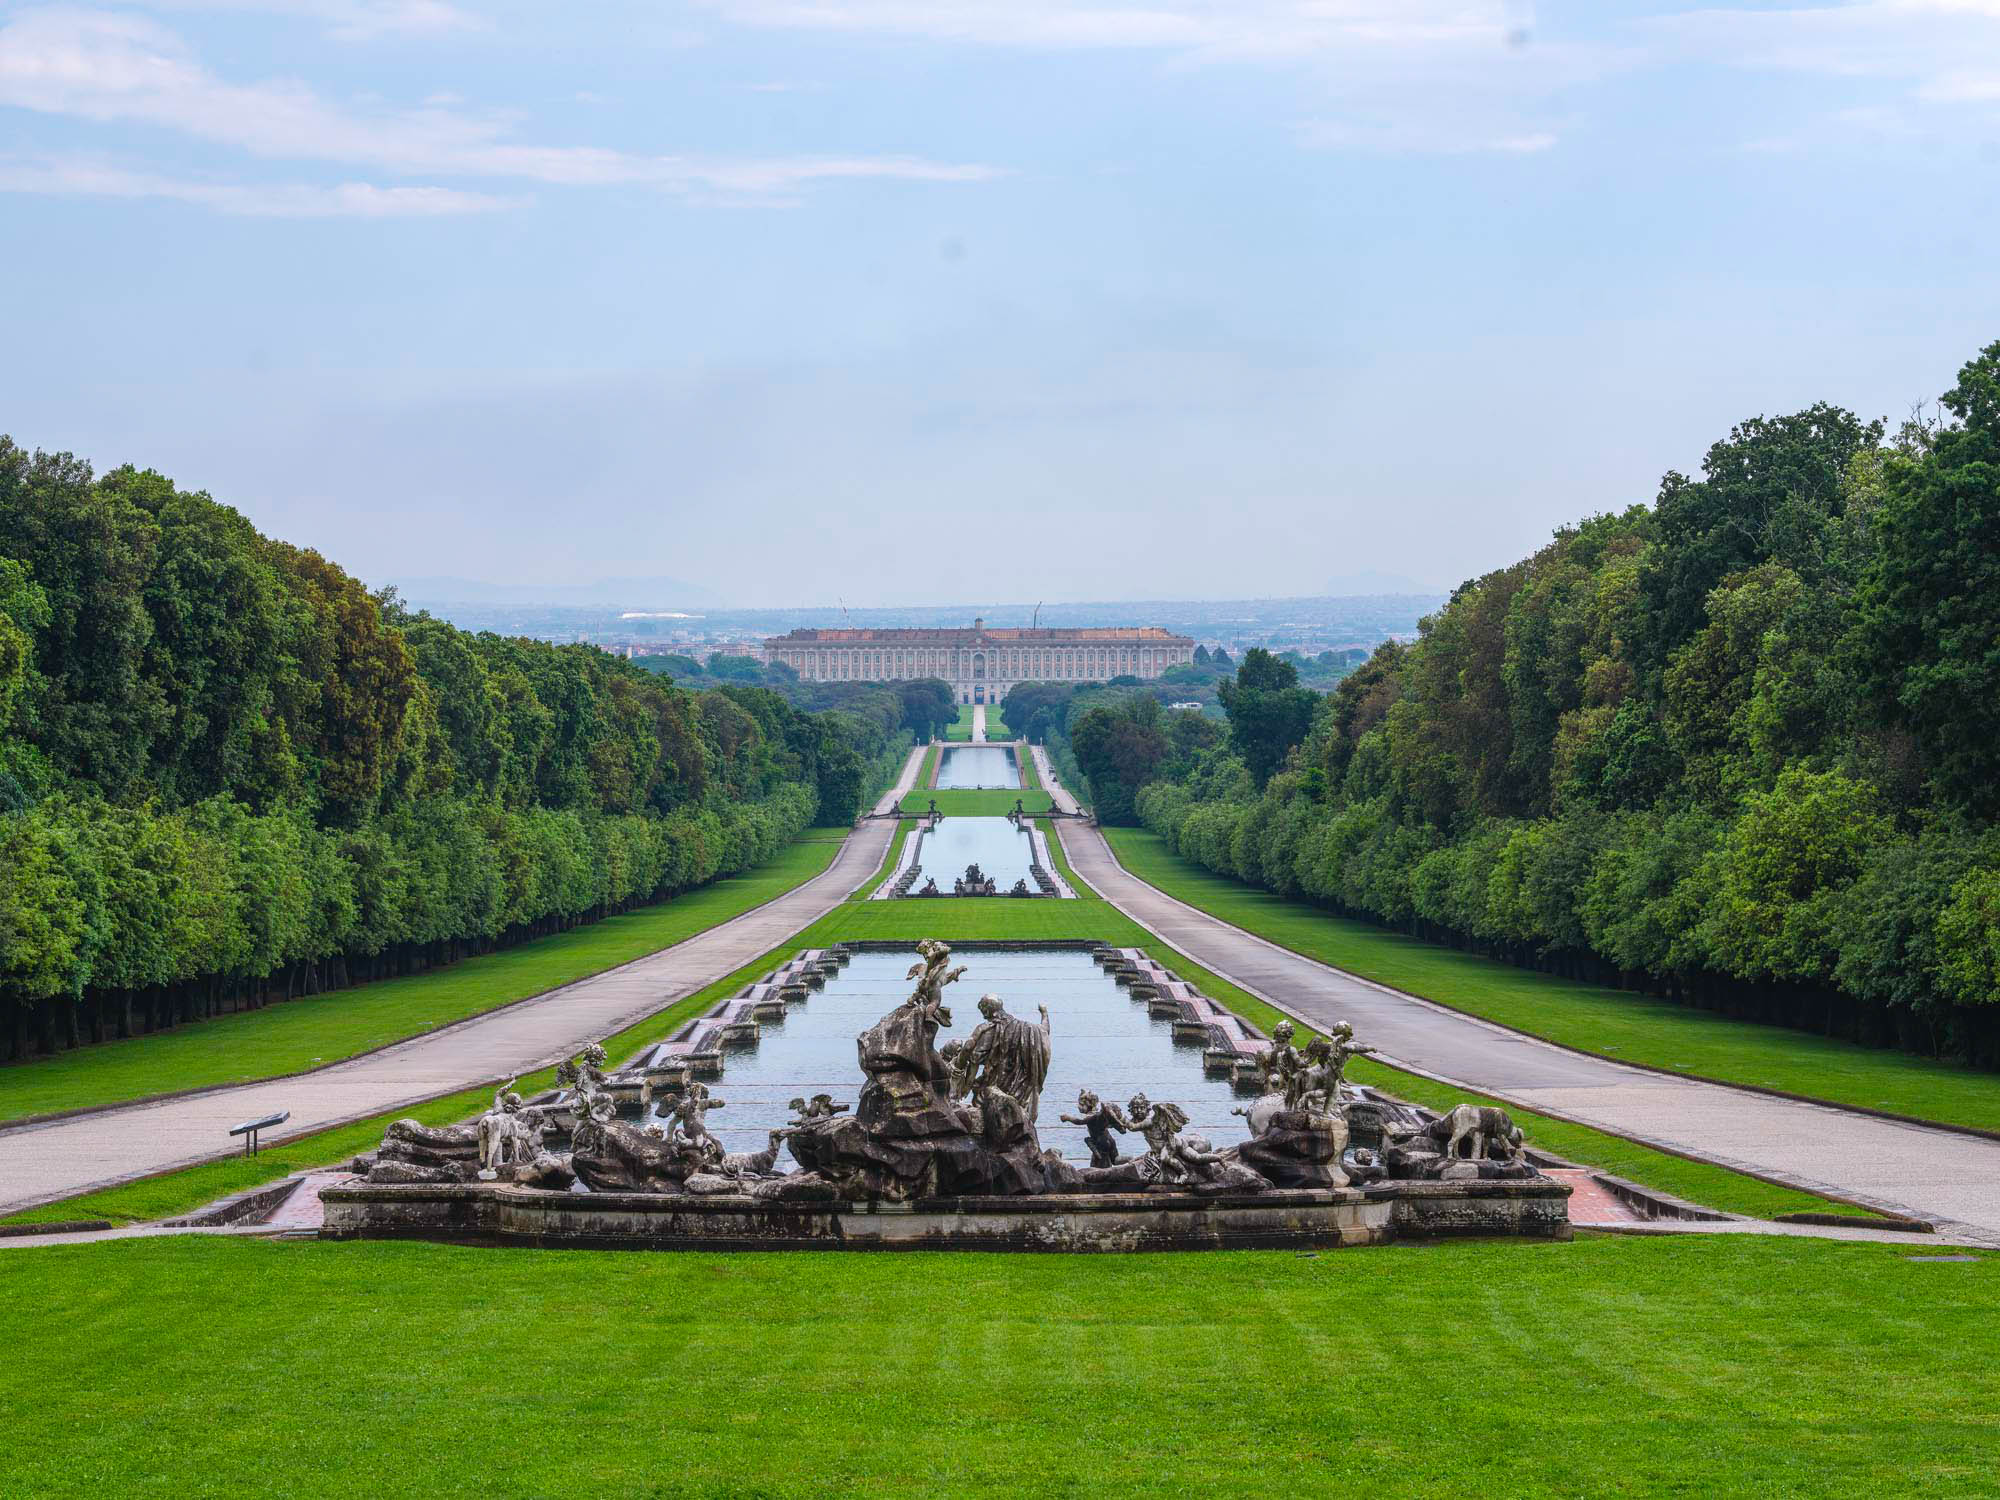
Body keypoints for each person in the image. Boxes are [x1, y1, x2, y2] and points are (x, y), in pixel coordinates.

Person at [1060, 1088, 1132, 1168]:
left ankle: (1103, 1177)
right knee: (1115, 1159)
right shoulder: (1099, 1114)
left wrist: (1068, 1118)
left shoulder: (1091, 1116)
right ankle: (1130, 1159)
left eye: (1081, 1105)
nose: (1078, 1107)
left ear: (1088, 1105)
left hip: (1101, 1143)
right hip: (1110, 1140)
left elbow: (1080, 1121)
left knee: (1097, 1166)